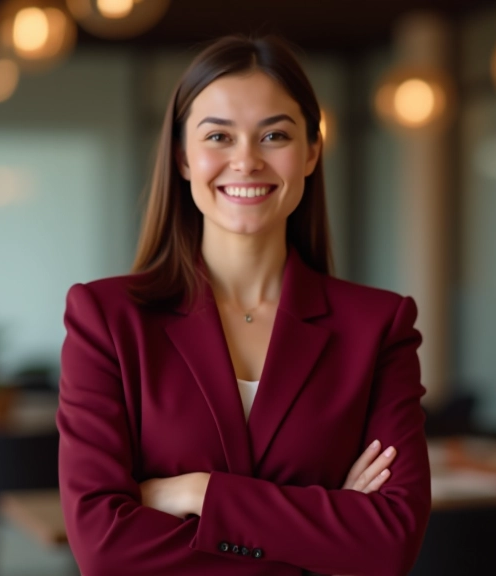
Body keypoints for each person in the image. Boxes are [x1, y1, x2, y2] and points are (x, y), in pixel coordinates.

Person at [57, 35, 431, 576]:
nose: (247, 160)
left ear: (311, 152)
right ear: (184, 157)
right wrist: (324, 533)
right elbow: (102, 547)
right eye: (219, 136)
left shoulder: (378, 326)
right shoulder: (107, 319)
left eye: (274, 134)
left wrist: (196, 493)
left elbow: (390, 543)